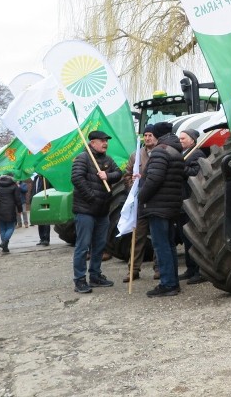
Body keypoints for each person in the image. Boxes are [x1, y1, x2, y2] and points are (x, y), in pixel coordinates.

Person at [71, 130, 123, 294]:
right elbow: (77, 178)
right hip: (86, 211)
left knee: (100, 245)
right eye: (102, 141)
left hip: (102, 211)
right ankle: (80, 280)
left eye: (106, 140)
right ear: (92, 143)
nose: (105, 143)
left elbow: (119, 174)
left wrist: (107, 175)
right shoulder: (83, 158)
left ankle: (95, 275)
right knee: (83, 246)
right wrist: (92, 197)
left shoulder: (107, 159)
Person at [138, 122, 186, 297]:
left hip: (158, 205)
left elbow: (155, 178)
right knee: (169, 244)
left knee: (161, 245)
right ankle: (173, 281)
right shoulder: (176, 151)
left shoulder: (160, 150)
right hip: (171, 204)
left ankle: (168, 284)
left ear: (157, 134)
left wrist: (141, 196)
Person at [121, 124, 160, 282]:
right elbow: (127, 174)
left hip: (156, 200)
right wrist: (133, 186)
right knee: (137, 237)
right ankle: (133, 269)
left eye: (151, 135)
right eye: (146, 135)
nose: (148, 138)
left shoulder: (160, 152)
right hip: (140, 202)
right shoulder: (135, 155)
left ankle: (158, 268)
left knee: (158, 237)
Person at [178, 128, 206, 285]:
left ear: (192, 140)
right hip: (182, 202)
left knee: (193, 238)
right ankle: (190, 268)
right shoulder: (183, 154)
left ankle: (198, 270)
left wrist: (180, 167)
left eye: (183, 138)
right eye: (180, 138)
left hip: (191, 200)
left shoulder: (197, 154)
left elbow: (195, 173)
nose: (180, 140)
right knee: (186, 237)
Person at [0, 173, 22, 254]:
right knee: (11, 227)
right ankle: (4, 243)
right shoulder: (14, 185)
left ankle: (5, 247)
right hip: (10, 209)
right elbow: (18, 199)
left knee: (2, 228)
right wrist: (19, 209)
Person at [32, 174, 52, 247]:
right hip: (37, 201)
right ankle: (42, 238)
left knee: (46, 220)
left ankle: (46, 239)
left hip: (45, 200)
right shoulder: (36, 178)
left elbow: (51, 189)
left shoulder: (46, 177)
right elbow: (34, 189)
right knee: (39, 220)